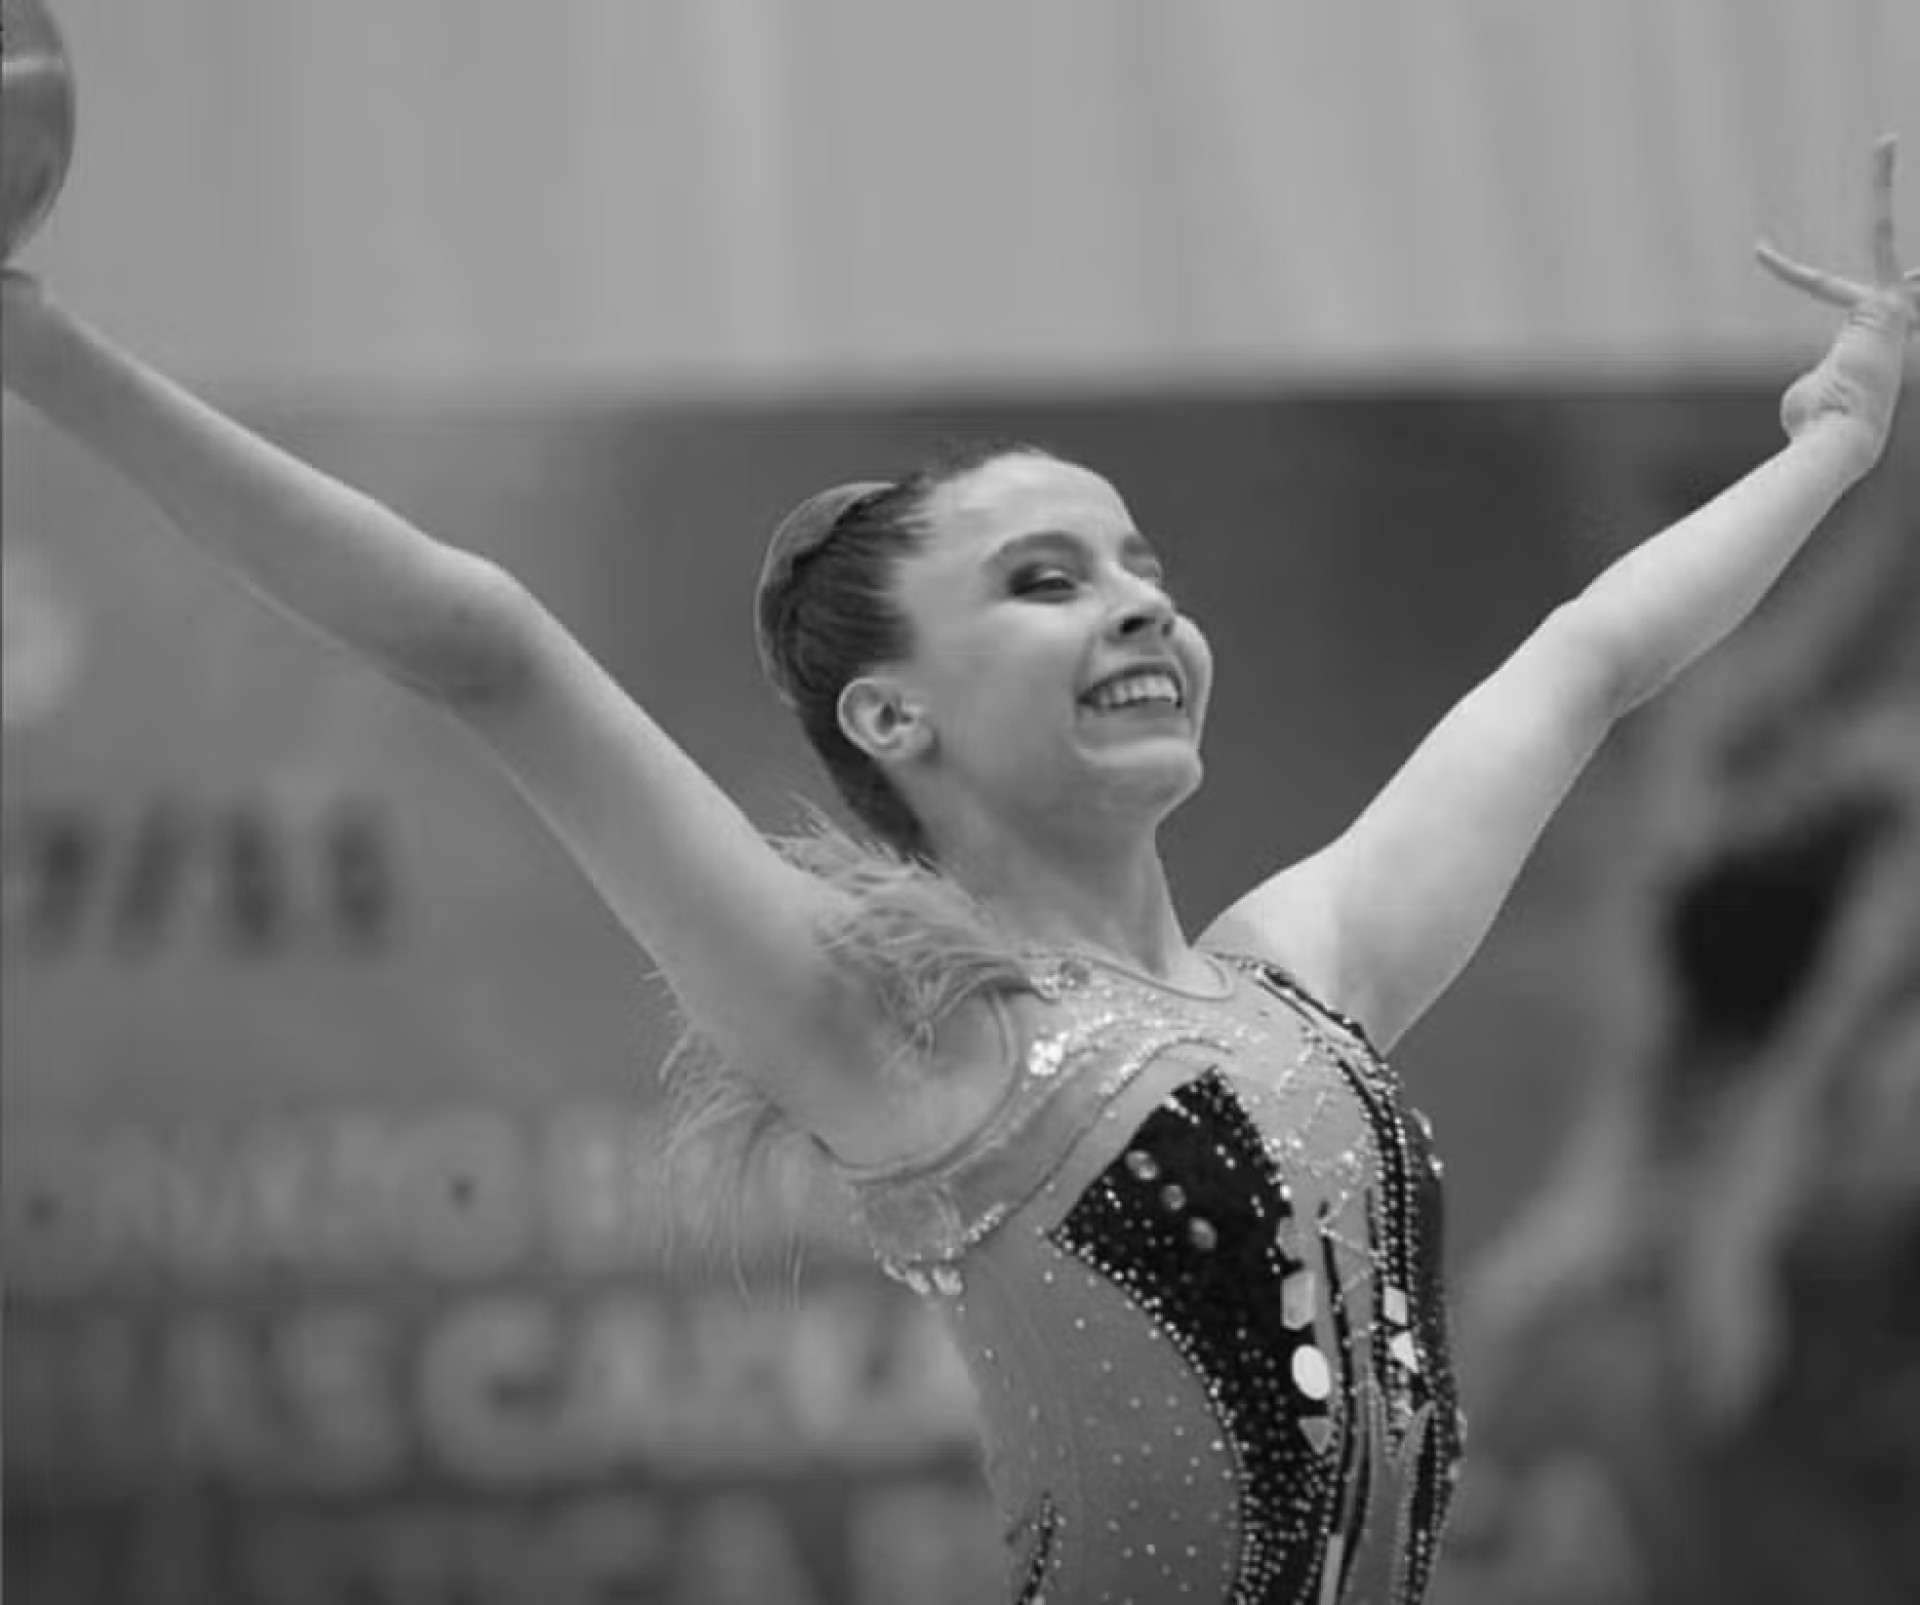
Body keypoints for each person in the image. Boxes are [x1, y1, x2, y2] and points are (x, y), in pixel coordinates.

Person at [2, 137, 1912, 1605]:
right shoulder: (904, 1038)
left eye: (1145, 561)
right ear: (897, 719)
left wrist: (1836, 430)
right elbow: (483, 643)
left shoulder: (1306, 971)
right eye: (1045, 579)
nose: (1139, 600)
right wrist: (35, 342)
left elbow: (1583, 660)